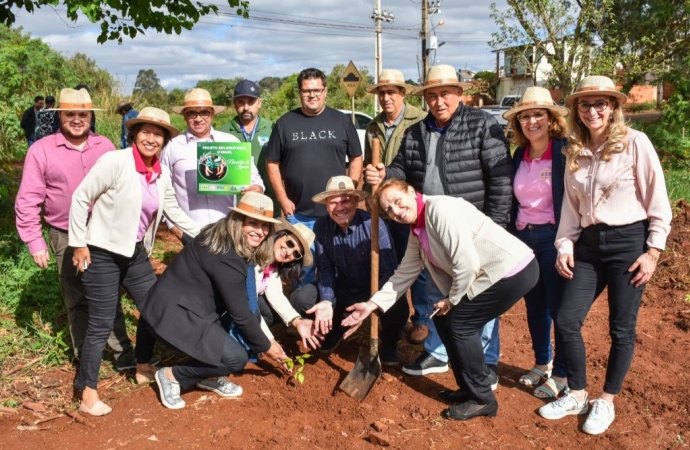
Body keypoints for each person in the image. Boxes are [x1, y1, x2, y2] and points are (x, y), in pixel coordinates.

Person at [538, 76, 672, 435]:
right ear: (576, 110)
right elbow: (570, 206)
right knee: (566, 320)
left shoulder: (635, 143)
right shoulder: (574, 152)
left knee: (621, 327)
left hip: (630, 242)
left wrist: (652, 252)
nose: (593, 110)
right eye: (585, 104)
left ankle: (607, 400)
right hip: (589, 245)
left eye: (601, 103)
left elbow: (658, 202)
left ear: (613, 107)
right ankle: (578, 393)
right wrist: (564, 245)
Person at [342, 179, 538, 421]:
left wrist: (451, 300)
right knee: (445, 322)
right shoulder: (418, 229)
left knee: (459, 324)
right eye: (388, 209)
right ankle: (468, 389)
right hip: (488, 275)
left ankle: (482, 399)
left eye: (397, 201)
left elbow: (467, 265)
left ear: (412, 192)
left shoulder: (440, 211)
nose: (395, 210)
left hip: (511, 270)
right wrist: (371, 304)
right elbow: (404, 273)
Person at [365, 64, 513, 381]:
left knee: (479, 295)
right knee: (436, 292)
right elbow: (402, 169)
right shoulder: (417, 132)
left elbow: (501, 180)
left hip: (475, 227)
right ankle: (438, 351)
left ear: (459, 94)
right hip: (431, 226)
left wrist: (497, 224)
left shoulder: (482, 125)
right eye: (432, 95)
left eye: (445, 93)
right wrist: (385, 174)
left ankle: (487, 360)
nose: (438, 101)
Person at [69, 107, 201, 416]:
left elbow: (174, 212)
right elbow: (80, 197)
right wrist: (78, 244)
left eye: (158, 134)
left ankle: (142, 365)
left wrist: (209, 233)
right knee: (101, 322)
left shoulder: (161, 173)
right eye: (146, 132)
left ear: (165, 140)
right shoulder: (115, 161)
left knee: (155, 308)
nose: (151, 138)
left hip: (134, 251)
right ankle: (87, 391)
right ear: (134, 134)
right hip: (101, 251)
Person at [15, 88, 134, 370]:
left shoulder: (105, 146)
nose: (77, 119)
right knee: (77, 297)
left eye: (83, 114)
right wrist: (35, 241)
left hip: (104, 233)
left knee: (111, 295)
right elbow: (28, 199)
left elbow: (124, 188)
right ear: (60, 116)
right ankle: (86, 357)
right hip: (64, 234)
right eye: (70, 114)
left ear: (91, 116)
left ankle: (123, 355)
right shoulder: (41, 150)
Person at [135, 193, 288, 410]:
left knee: (229, 332)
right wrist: (266, 345)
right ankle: (172, 376)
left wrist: (141, 362)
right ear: (238, 221)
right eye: (252, 223)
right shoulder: (229, 257)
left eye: (265, 226)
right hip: (176, 314)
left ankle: (205, 374)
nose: (259, 231)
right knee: (235, 358)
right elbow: (242, 316)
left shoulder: (217, 233)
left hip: (157, 304)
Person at [288, 176, 408, 364]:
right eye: (333, 202)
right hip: (343, 287)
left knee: (398, 303)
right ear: (326, 205)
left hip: (374, 287)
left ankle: (390, 343)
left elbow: (388, 271)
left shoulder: (374, 224)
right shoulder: (322, 227)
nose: (340, 207)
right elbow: (325, 269)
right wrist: (327, 301)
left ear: (355, 201)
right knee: (301, 298)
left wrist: (372, 304)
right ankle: (332, 329)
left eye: (345, 200)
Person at [265, 67, 363, 285]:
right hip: (299, 212)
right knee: (304, 271)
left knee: (339, 266)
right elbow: (272, 162)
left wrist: (351, 191)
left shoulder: (342, 121)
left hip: (337, 212)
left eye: (317, 90)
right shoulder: (284, 123)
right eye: (307, 90)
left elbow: (356, 157)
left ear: (325, 91)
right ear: (300, 92)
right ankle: (304, 308)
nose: (312, 95)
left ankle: (336, 309)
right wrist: (282, 198)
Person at [503, 87, 570, 398]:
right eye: (526, 116)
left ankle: (562, 373)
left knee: (559, 307)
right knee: (534, 307)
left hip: (553, 236)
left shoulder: (564, 151)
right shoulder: (520, 155)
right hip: (524, 237)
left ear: (551, 118)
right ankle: (543, 362)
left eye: (538, 114)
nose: (532, 121)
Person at [364, 69, 428, 345]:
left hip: (407, 204)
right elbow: (370, 164)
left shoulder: (420, 120)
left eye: (392, 92)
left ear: (403, 93)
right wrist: (368, 192)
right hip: (382, 205)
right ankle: (396, 317)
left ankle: (422, 320)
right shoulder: (373, 126)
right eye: (382, 93)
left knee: (418, 264)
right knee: (391, 262)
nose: (386, 97)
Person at [161, 88, 265, 245]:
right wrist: (175, 228)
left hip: (228, 228)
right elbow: (162, 190)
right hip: (189, 231)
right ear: (184, 116)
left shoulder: (231, 142)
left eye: (204, 112)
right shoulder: (172, 147)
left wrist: (256, 187)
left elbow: (254, 178)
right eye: (191, 113)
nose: (198, 118)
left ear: (212, 114)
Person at [255, 218, 321, 350]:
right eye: (290, 243)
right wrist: (269, 341)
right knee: (236, 358)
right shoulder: (255, 257)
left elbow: (274, 293)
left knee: (272, 313)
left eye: (296, 253)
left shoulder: (273, 265)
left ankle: (251, 337)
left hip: (246, 304)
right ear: (280, 235)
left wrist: (296, 320)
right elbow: (246, 306)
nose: (289, 252)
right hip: (232, 306)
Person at [219, 80, 277, 213]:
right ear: (234, 104)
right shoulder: (222, 133)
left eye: (251, 102)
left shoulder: (274, 129)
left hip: (270, 203)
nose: (246, 107)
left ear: (259, 103)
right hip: (235, 206)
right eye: (241, 102)